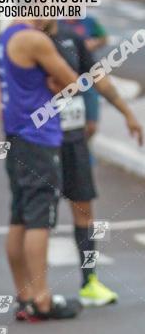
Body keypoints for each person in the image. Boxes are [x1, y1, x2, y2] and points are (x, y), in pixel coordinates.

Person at [44, 19, 143, 306]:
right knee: (36, 218)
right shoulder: (21, 41)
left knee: (84, 208)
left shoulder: (70, 39)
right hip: (39, 141)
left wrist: (128, 113)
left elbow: (98, 76)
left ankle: (89, 282)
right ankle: (35, 292)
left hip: (73, 138)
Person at [0, 18, 85, 320]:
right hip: (38, 137)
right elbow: (74, 82)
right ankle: (42, 299)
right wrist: (58, 83)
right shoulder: (35, 40)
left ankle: (25, 296)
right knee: (38, 219)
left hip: (16, 135)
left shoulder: (6, 35)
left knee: (20, 215)